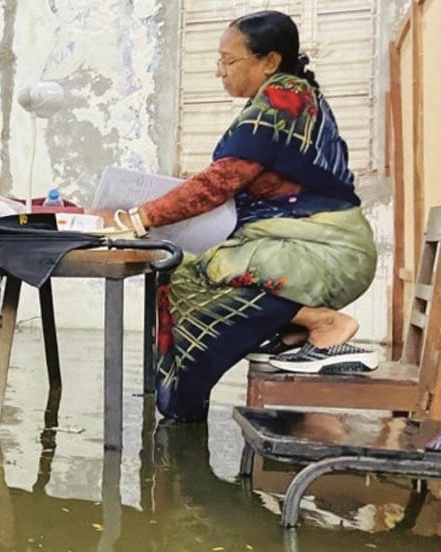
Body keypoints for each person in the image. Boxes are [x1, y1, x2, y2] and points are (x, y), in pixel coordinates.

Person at [93, 10, 378, 422]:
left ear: (270, 61)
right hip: (297, 246)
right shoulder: (283, 98)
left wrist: (137, 218)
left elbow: (221, 181)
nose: (220, 72)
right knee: (186, 276)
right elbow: (233, 178)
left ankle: (322, 323)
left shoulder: (284, 99)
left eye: (230, 62)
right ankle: (188, 403)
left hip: (323, 249)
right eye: (219, 61)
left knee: (197, 271)